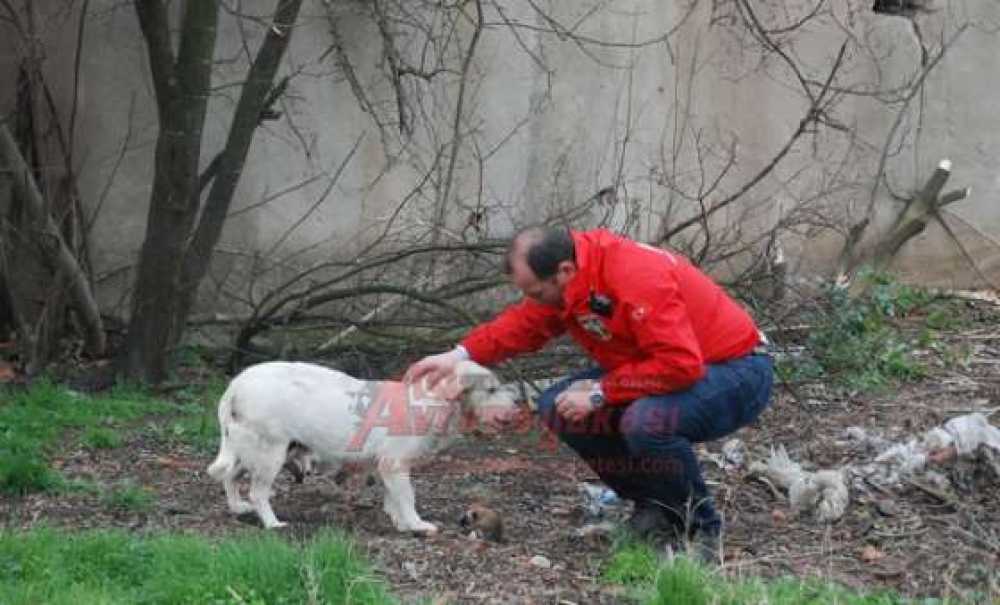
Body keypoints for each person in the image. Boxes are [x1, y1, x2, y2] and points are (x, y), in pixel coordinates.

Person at [403, 225, 773, 558]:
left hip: (735, 369)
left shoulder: (633, 277)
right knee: (558, 406)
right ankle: (657, 507)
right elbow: (525, 324)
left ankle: (703, 530)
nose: (535, 299)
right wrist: (459, 355)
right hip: (660, 364)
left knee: (646, 422)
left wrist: (601, 392)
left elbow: (680, 364)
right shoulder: (575, 280)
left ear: (564, 270)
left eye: (536, 291)